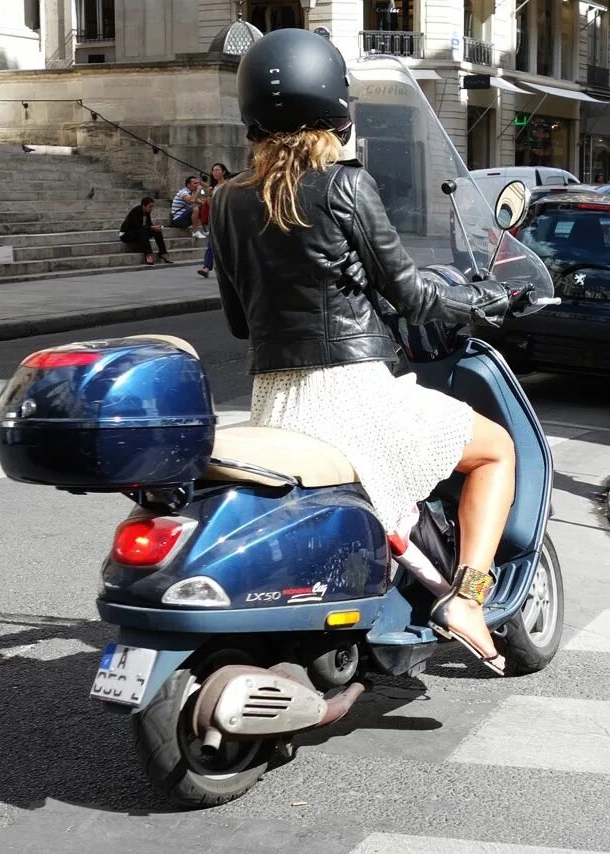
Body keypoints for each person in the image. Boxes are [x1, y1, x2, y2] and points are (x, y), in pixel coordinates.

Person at [212, 29, 517, 674]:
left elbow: (241, 323)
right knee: (497, 450)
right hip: (352, 396)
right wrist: (482, 304)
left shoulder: (226, 200)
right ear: (335, 104)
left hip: (275, 404)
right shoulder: (345, 185)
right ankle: (466, 599)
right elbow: (409, 295)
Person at [197, 163, 229, 278]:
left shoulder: (228, 185)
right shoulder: (213, 187)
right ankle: (206, 268)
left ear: (224, 172)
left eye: (217, 170)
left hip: (227, 218)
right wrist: (209, 194)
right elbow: (210, 204)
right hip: (215, 219)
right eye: (213, 171)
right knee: (211, 244)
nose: (215, 172)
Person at [119, 196, 171, 265]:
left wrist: (154, 227)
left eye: (152, 207)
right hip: (126, 234)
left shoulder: (147, 212)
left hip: (138, 233)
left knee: (157, 231)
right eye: (150, 206)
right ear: (143, 206)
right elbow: (137, 227)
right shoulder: (135, 211)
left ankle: (163, 253)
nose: (152, 209)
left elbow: (148, 224)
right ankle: (148, 254)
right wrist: (151, 227)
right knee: (142, 231)